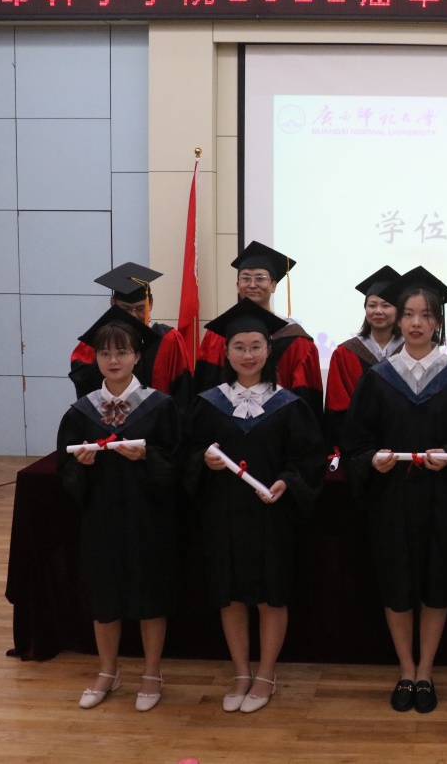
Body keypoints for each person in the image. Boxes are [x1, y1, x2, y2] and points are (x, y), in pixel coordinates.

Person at [341, 267, 447, 714]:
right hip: (392, 499)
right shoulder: (378, 378)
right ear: (398, 319)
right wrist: (373, 460)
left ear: (438, 322)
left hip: (443, 501)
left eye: (425, 315)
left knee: (436, 584)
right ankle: (405, 669)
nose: (416, 323)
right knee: (397, 584)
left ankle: (426, 670)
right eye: (408, 314)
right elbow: (356, 444)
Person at [186, 298, 325, 714]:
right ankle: (241, 672)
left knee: (270, 596)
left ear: (268, 351)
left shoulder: (289, 404)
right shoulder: (208, 403)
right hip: (223, 513)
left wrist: (288, 481)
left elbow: (308, 460)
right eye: (239, 347)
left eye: (255, 347)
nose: (248, 355)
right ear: (227, 353)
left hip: (271, 514)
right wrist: (203, 460)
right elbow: (186, 454)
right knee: (229, 596)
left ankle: (266, 674)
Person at [57, 308, 182, 712]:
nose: (113, 360)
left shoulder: (159, 406)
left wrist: (147, 456)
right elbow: (65, 469)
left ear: (137, 356)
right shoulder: (81, 412)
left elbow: (177, 462)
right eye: (105, 353)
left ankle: (152, 673)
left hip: (148, 517)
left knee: (149, 595)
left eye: (122, 352)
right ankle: (107, 671)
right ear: (95, 358)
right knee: (104, 595)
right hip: (103, 517)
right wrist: (80, 465)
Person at [194, 241, 324, 422]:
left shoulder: (297, 342)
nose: (252, 284)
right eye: (245, 278)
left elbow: (307, 404)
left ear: (273, 285)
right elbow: (204, 389)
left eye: (260, 278)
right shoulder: (217, 336)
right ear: (237, 285)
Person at [69, 262, 194, 408]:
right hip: (109, 417)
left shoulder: (169, 339)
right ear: (113, 303)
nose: (133, 315)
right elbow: (84, 384)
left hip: (158, 418)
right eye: (126, 309)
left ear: (150, 304)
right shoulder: (99, 338)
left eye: (140, 308)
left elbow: (183, 390)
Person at [324, 265, 403, 438]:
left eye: (386, 305)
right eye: (372, 305)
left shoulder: (410, 351)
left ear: (399, 310)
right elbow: (337, 407)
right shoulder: (345, 353)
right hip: (357, 442)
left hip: (401, 439)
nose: (378, 311)